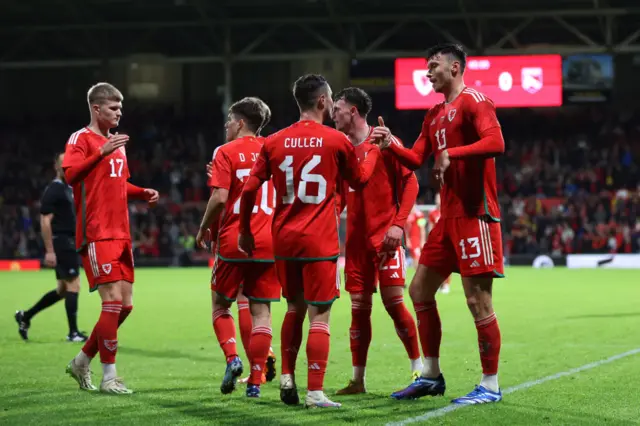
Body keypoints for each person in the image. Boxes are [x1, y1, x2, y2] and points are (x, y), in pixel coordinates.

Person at [238, 74, 380, 408]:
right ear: (321, 102)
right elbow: (359, 180)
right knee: (320, 315)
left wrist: (244, 229)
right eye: (330, 100)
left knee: (292, 308)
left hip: (283, 240)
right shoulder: (336, 141)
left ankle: (287, 377)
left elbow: (248, 189)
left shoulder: (273, 141)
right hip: (320, 241)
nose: (332, 105)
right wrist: (372, 148)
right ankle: (315, 391)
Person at [376, 44, 505, 404]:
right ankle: (431, 375)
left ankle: (490, 385)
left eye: (434, 66)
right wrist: (390, 145)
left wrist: (453, 154)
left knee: (478, 301)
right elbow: (417, 157)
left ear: (455, 67)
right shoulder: (433, 114)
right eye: (426, 67)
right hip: (446, 219)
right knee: (419, 291)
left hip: (474, 213)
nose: (428, 72)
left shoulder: (476, 101)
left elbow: (496, 141)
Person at [62, 82, 159, 395]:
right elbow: (71, 175)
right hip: (97, 233)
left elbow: (118, 184)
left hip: (121, 233)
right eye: (113, 108)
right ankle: (109, 377)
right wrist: (100, 152)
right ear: (96, 108)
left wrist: (141, 191)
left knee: (126, 306)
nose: (119, 113)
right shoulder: (81, 138)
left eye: (120, 108)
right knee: (112, 302)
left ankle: (81, 360)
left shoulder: (118, 144)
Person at [330, 87, 422, 395]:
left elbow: (410, 182)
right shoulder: (339, 147)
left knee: (394, 304)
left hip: (386, 238)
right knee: (358, 310)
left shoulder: (384, 141)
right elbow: (340, 194)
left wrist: (398, 225)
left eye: (337, 109)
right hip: (355, 244)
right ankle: (358, 380)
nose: (333, 114)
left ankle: (418, 370)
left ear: (353, 111)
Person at [196, 97, 279, 398]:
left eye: (230, 120)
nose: (227, 125)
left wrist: (204, 227)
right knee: (262, 313)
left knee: (221, 305)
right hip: (269, 241)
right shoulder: (275, 149)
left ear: (241, 122)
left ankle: (232, 359)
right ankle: (256, 382)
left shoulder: (225, 151)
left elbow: (219, 198)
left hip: (234, 239)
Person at [14, 153, 87, 342]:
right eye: (64, 165)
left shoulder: (67, 188)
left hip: (69, 241)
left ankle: (25, 316)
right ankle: (73, 333)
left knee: (63, 289)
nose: (68, 168)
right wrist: (50, 250)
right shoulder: (54, 189)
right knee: (74, 284)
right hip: (63, 242)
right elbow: (45, 221)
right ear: (56, 166)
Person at [427, 193, 451, 294]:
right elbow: (430, 227)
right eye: (437, 198)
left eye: (439, 198)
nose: (438, 201)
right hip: (436, 242)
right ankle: (438, 284)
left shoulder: (448, 212)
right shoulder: (432, 213)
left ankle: (446, 284)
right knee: (435, 265)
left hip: (446, 242)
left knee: (446, 264)